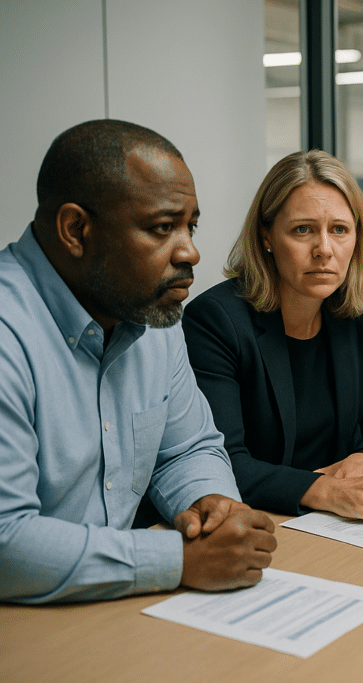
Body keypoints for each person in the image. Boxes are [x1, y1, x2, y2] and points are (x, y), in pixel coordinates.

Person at [0, 119, 276, 604]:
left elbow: (187, 448)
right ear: (75, 230)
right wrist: (179, 560)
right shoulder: (9, 332)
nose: (190, 250)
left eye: (190, 226)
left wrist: (209, 502)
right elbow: (6, 540)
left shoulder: (151, 315)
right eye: (162, 227)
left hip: (115, 611)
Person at [182, 150, 363, 522]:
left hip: (338, 521)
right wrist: (325, 490)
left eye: (339, 230)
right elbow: (220, 461)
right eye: (303, 230)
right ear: (267, 238)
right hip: (264, 518)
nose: (324, 249)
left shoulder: (356, 313)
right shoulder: (216, 321)